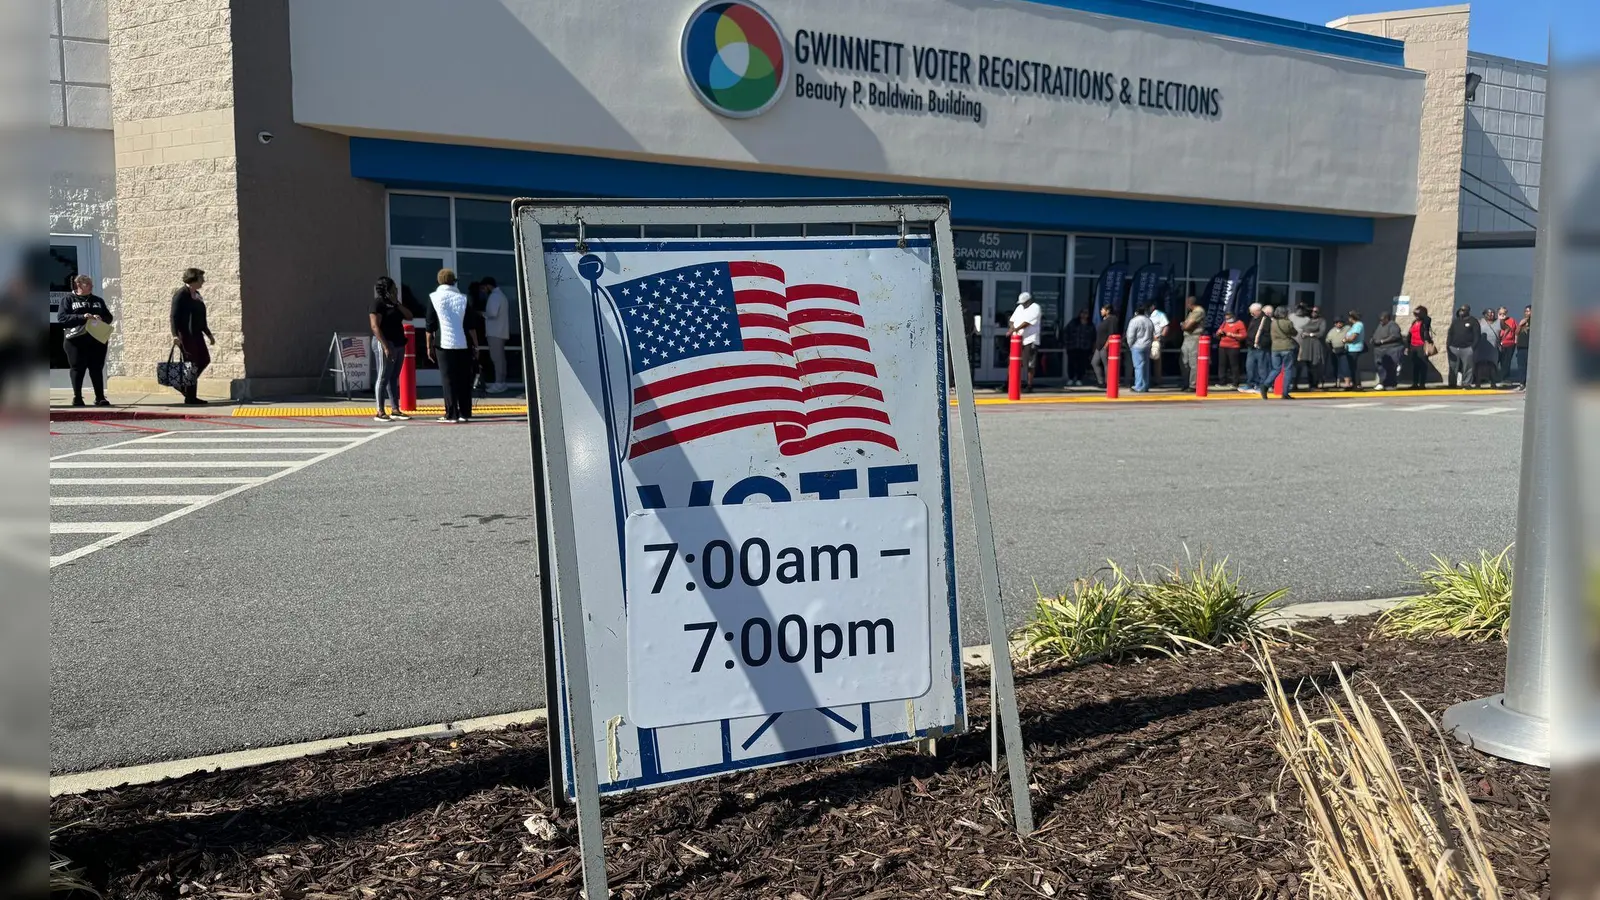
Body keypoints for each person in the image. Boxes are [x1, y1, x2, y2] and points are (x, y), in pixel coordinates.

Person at [427, 267, 478, 423]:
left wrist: (429, 346)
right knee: (464, 379)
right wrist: (476, 346)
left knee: (448, 379)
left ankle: (451, 414)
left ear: (439, 281)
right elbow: (470, 326)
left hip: (444, 344)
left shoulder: (434, 297)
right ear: (454, 281)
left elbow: (430, 325)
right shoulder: (463, 298)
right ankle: (465, 413)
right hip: (463, 343)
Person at [59, 274, 114, 407]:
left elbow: (109, 317)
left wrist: (100, 318)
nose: (91, 286)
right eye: (87, 284)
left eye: (91, 284)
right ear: (79, 285)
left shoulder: (97, 300)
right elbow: (62, 318)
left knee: (96, 368)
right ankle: (77, 397)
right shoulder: (68, 300)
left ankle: (100, 397)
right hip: (75, 339)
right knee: (78, 368)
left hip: (96, 339)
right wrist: (82, 316)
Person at [169, 267, 215, 405]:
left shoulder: (197, 294)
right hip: (185, 335)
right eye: (201, 278)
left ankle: (184, 387)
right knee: (191, 365)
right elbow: (174, 316)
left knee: (204, 359)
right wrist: (174, 335)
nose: (203, 281)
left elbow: (201, 317)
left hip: (197, 334)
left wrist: (209, 334)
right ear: (193, 279)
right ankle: (190, 397)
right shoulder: (181, 294)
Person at [369, 276, 411, 422]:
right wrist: (385, 346)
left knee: (394, 376)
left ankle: (395, 409)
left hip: (399, 343)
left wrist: (396, 303)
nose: (396, 290)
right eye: (393, 288)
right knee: (383, 377)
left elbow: (409, 316)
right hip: (385, 342)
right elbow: (375, 326)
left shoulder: (395, 304)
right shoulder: (378, 304)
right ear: (386, 289)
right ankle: (380, 411)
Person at [481, 277, 512, 394]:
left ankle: (499, 383)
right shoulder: (501, 296)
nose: (483, 291)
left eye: (484, 288)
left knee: (496, 359)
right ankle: (501, 382)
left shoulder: (494, 297)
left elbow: (492, 313)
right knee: (501, 359)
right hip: (501, 331)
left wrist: (482, 313)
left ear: (488, 286)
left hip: (495, 332)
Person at [1008, 291, 1042, 393]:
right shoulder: (1019, 308)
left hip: (1030, 339)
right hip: (1017, 339)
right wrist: (1012, 328)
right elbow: (1012, 320)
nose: (1023, 304)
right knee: (1014, 362)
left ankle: (1029, 385)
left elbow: (1027, 322)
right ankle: (1011, 383)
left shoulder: (1035, 308)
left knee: (1030, 363)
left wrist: (1014, 330)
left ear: (1029, 300)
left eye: (1024, 302)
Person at [1263, 305, 1298, 400]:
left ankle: (1265, 385)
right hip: (1287, 347)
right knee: (1288, 370)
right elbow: (1294, 333)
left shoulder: (1273, 323)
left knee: (1276, 369)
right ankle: (1285, 392)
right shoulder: (1288, 322)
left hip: (1275, 348)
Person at [1295, 306, 1328, 392]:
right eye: (1312, 311)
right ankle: (1309, 384)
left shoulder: (1321, 321)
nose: (1314, 313)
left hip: (1315, 344)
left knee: (1315, 364)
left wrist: (1310, 334)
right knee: (1307, 364)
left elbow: (1321, 332)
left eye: (1316, 312)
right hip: (1306, 344)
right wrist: (1302, 334)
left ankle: (1314, 384)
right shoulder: (1309, 320)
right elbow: (1303, 329)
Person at [1446, 304, 1480, 388]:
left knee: (1467, 367)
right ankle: (1452, 384)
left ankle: (1466, 383)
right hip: (1454, 347)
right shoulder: (1456, 321)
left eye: (1463, 310)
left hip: (1467, 348)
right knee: (1453, 367)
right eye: (1460, 310)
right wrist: (1448, 345)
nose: (1461, 311)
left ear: (1468, 311)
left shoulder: (1473, 321)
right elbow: (1450, 333)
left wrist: (1472, 348)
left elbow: (1477, 335)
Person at [1369, 312, 1405, 391]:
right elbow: (1376, 335)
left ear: (1387, 318)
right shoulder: (1380, 325)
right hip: (1380, 350)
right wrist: (1373, 339)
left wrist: (1382, 341)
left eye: (1382, 320)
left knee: (1390, 367)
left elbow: (1395, 336)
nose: (1380, 321)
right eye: (1379, 320)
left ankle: (1390, 384)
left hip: (1391, 349)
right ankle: (1382, 382)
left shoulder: (1393, 325)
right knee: (1380, 367)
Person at [1124, 303, 1155, 393]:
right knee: (1145, 367)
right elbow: (1152, 333)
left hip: (1137, 346)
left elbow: (1130, 335)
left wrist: (1130, 345)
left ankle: (1139, 386)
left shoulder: (1134, 321)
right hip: (1147, 345)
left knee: (1138, 366)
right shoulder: (1149, 320)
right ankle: (1145, 385)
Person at [1242, 302, 1270, 393]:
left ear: (1258, 311)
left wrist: (1262, 343)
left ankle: (1262, 385)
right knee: (1250, 366)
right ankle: (1250, 383)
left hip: (1260, 347)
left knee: (1261, 368)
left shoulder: (1266, 320)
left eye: (1253, 312)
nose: (1251, 314)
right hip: (1251, 347)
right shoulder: (1253, 319)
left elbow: (1268, 335)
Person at [1179, 295, 1206, 390]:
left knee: (1193, 362)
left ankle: (1193, 384)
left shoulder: (1198, 311)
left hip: (1194, 338)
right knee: (1184, 361)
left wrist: (1183, 325)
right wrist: (1184, 325)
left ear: (1190, 303)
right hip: (1187, 338)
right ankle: (1185, 382)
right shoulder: (1191, 312)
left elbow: (1187, 326)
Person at [1064, 308, 1095, 387]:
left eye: (1086, 313)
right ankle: (1071, 378)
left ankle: (1079, 379)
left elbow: (1093, 337)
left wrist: (1092, 347)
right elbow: (1066, 332)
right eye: (1083, 313)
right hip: (1073, 347)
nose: (1084, 315)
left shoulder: (1090, 324)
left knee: (1082, 364)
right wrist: (1067, 343)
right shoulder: (1073, 322)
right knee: (1071, 363)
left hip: (1085, 348)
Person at [1214, 310, 1246, 387]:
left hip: (1233, 347)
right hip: (1223, 346)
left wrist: (1232, 335)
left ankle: (1235, 382)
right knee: (1222, 364)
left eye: (1229, 316)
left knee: (1234, 365)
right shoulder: (1224, 323)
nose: (1227, 318)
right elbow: (1218, 333)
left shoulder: (1239, 323)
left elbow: (1243, 335)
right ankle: (1222, 381)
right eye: (1226, 316)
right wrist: (1219, 333)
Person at [1091, 304, 1120, 388]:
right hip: (1099, 346)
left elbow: (1112, 333)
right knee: (1094, 362)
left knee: (1106, 364)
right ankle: (1101, 381)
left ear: (1108, 311)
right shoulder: (1104, 319)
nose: (1101, 311)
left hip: (1105, 345)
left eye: (1102, 310)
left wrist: (1107, 345)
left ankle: (1108, 382)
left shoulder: (1112, 319)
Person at [1407, 305, 1434, 389]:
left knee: (1423, 365)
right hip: (1413, 346)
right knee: (1415, 366)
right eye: (1415, 314)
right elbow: (1410, 334)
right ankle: (1415, 383)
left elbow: (1428, 319)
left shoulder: (1425, 322)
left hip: (1422, 345)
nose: (1416, 316)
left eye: (1418, 314)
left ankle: (1422, 384)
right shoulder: (1414, 322)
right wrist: (1408, 346)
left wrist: (1422, 313)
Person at [1476, 307, 1501, 387]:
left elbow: (1507, 329)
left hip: (1493, 347)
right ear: (1484, 314)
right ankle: (1478, 383)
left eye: (1493, 313)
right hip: (1481, 346)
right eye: (1489, 313)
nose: (1491, 314)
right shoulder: (1480, 322)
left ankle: (1493, 383)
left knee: (1493, 365)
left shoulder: (1498, 322)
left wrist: (1501, 340)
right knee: (1480, 365)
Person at [1147, 303, 1170, 388]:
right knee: (1147, 361)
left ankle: (1157, 380)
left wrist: (1161, 337)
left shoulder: (1160, 314)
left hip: (1156, 340)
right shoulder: (1146, 314)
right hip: (1147, 340)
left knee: (1156, 360)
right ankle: (1148, 379)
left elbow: (1166, 326)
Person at [1343, 310, 1366, 391]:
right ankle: (1353, 384)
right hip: (1350, 349)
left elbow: (1353, 337)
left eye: (1350, 317)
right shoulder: (1353, 325)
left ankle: (1358, 384)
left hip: (1355, 349)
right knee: (1351, 367)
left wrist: (1345, 340)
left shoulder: (1358, 325)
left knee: (1354, 367)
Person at [1496, 305, 1518, 386]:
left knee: (1506, 362)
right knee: (1496, 360)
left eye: (1504, 313)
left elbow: (1516, 331)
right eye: (1500, 313)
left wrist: (1516, 341)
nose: (1502, 315)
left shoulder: (1511, 320)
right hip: (1498, 344)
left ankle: (1505, 378)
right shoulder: (1496, 321)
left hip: (1509, 344)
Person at [1327, 317, 1349, 389]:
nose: (1339, 324)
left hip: (1344, 350)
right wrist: (1331, 349)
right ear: (1335, 324)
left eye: (1340, 322)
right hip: (1334, 351)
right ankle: (1337, 382)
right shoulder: (1332, 331)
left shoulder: (1347, 329)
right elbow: (1328, 341)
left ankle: (1347, 382)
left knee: (1344, 367)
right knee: (1335, 367)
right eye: (1337, 323)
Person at [1514, 306, 1531, 389]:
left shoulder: (1535, 322)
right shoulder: (1522, 322)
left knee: (1529, 366)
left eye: (1529, 311)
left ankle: (1529, 383)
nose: (1527, 313)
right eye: (1526, 311)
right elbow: (1516, 333)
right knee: (1521, 366)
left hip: (1530, 347)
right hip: (1521, 347)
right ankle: (1522, 383)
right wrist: (1520, 325)